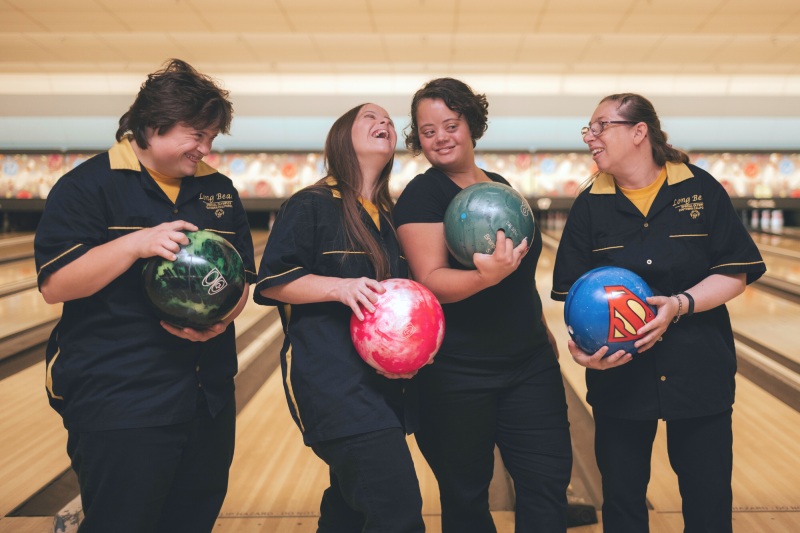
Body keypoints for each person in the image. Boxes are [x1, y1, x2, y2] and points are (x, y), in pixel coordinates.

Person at [34, 59, 255, 533]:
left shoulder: (218, 190)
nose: (205, 148)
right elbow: (55, 284)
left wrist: (223, 318)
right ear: (153, 127)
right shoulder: (87, 186)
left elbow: (241, 283)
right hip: (121, 397)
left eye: (212, 137)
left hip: (206, 396)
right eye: (196, 134)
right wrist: (135, 243)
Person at [551, 93, 766, 533]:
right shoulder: (589, 204)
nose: (590, 138)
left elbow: (736, 271)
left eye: (600, 127)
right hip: (620, 377)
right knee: (624, 505)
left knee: (708, 507)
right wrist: (582, 351)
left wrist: (680, 304)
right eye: (587, 130)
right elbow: (575, 297)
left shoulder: (700, 189)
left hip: (698, 371)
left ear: (638, 132)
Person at [393, 78, 572, 533]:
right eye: (428, 131)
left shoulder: (501, 186)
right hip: (457, 371)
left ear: (471, 124)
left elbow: (517, 278)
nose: (440, 138)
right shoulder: (423, 194)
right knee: (467, 497)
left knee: (546, 485)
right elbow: (430, 281)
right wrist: (481, 276)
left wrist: (540, 326)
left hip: (529, 364)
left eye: (450, 125)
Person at [253, 103, 425, 533]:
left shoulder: (386, 217)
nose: (383, 122)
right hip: (333, 382)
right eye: (369, 117)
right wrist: (338, 287)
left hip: (382, 386)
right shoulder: (310, 204)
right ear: (340, 137)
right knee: (396, 509)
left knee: (349, 509)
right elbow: (271, 281)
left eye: (387, 119)